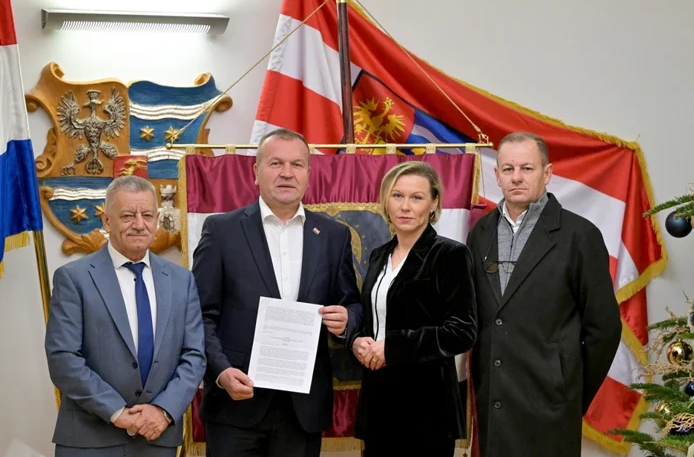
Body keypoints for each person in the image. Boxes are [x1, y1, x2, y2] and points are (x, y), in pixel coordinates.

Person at [191, 128, 362, 457]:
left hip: (301, 411)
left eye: (297, 164)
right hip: (235, 404)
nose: (287, 173)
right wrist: (221, 371)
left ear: (309, 174)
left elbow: (352, 304)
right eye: (276, 163)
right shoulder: (221, 230)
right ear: (256, 172)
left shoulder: (333, 235)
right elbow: (199, 314)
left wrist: (347, 320)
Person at [467, 132, 622, 456]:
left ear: (547, 173)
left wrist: (569, 392)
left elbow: (604, 330)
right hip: (494, 404)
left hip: (551, 407)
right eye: (508, 169)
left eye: (527, 168)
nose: (516, 177)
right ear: (497, 176)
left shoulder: (580, 235)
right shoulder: (479, 233)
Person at [44, 175, 206, 457]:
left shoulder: (182, 281)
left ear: (157, 220)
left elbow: (194, 355)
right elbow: (63, 358)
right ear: (107, 221)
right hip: (90, 439)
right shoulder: (73, 278)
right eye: (128, 215)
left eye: (147, 215)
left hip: (157, 437)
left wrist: (163, 410)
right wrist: (117, 412)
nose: (139, 224)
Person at [350, 161, 477, 457]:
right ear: (386, 201)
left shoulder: (450, 254)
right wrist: (357, 341)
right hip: (378, 404)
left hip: (427, 409)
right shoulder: (379, 255)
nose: (405, 206)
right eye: (397, 196)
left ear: (433, 204)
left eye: (416, 197)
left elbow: (463, 332)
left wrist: (393, 347)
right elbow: (377, 320)